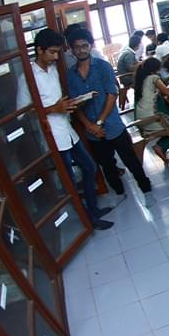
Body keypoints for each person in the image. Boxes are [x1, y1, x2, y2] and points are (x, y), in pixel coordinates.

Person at [16, 29, 114, 229]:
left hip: (67, 130)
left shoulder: (52, 70)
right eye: (52, 52)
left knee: (89, 167)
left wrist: (73, 103)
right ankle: (89, 219)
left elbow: (57, 101)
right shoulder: (26, 77)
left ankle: (93, 210)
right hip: (51, 136)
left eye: (58, 52)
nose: (55, 56)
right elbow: (22, 114)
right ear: (39, 50)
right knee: (69, 181)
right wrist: (53, 109)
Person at [66, 29, 156, 208]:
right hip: (92, 131)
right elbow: (75, 105)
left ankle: (146, 190)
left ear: (90, 46)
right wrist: (90, 126)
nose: (82, 50)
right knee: (107, 165)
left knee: (130, 160)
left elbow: (112, 94)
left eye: (85, 46)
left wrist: (99, 122)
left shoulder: (102, 66)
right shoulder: (70, 75)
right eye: (77, 47)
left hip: (112, 125)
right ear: (71, 50)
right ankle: (120, 192)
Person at [133, 57, 169, 166]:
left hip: (141, 119)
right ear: (155, 69)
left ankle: (165, 146)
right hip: (151, 118)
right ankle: (161, 146)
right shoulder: (153, 77)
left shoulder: (141, 78)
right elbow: (168, 92)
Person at [116, 35, 143, 109]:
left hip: (126, 76)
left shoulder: (128, 52)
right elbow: (130, 68)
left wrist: (140, 63)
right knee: (148, 79)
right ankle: (144, 102)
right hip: (127, 78)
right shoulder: (129, 54)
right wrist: (141, 63)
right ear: (137, 44)